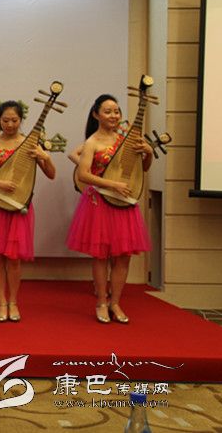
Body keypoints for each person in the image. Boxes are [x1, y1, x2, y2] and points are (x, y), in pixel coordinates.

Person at [66, 94, 152, 324]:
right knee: (101, 255)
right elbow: (84, 175)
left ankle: (116, 302)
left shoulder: (126, 138)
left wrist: (149, 152)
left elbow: (142, 169)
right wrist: (112, 184)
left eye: (116, 111)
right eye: (107, 111)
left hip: (124, 203)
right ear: (96, 115)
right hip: (100, 203)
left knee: (123, 257)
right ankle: (102, 302)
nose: (113, 115)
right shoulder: (92, 142)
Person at [0, 101, 56, 323]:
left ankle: (13, 302)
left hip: (19, 206)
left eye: (14, 120)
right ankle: (1, 302)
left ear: (21, 120)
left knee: (14, 259)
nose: (10, 124)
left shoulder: (30, 144)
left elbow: (51, 174)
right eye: (5, 120)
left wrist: (45, 157)